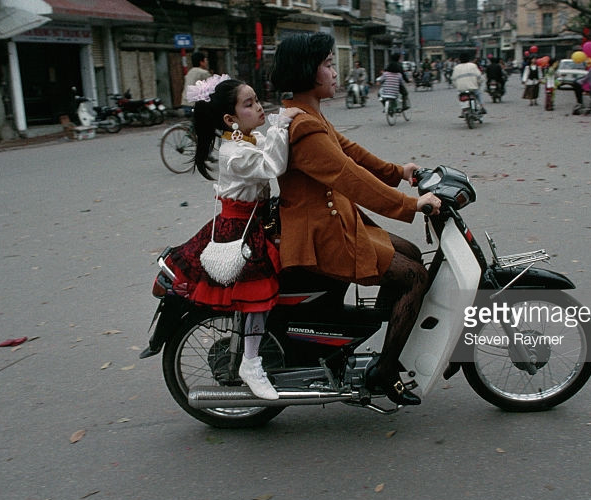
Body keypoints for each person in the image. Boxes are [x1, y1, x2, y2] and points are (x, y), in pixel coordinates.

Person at [269, 32, 442, 406]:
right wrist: (411, 205)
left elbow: (353, 153)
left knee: (410, 250)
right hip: (322, 236)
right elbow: (350, 177)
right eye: (329, 65)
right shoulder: (305, 127)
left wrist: (400, 171)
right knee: (415, 276)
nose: (335, 72)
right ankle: (385, 368)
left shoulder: (308, 113)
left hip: (334, 223)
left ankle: (368, 337)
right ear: (307, 71)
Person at [163, 73, 304, 400]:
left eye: (256, 100)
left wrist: (276, 128)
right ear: (230, 118)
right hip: (238, 230)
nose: (259, 108)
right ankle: (251, 363)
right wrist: (281, 124)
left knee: (260, 294)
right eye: (249, 104)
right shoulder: (235, 153)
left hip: (252, 223)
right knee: (257, 296)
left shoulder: (243, 141)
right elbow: (273, 165)